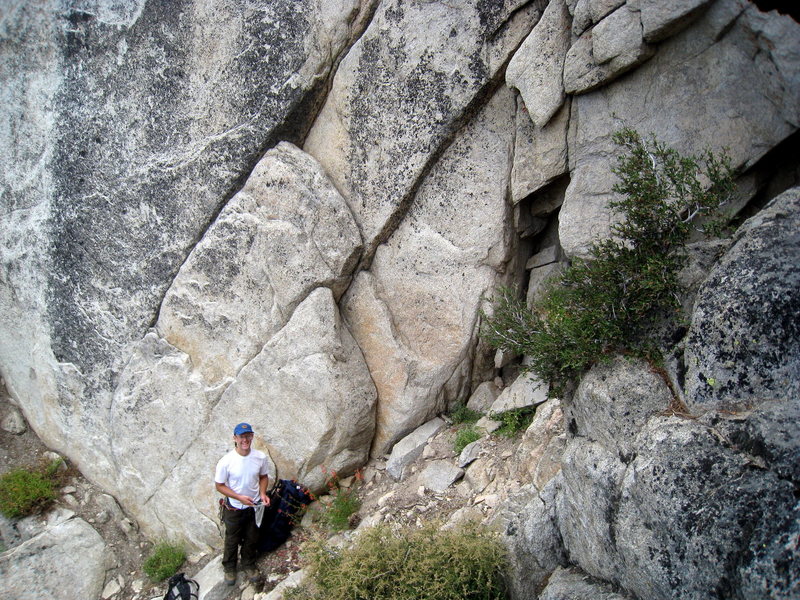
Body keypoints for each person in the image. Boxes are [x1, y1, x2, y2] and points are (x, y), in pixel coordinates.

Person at [214, 422, 271, 585]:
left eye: (248, 436)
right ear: (235, 438)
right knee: (232, 538)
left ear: (252, 436)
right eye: (241, 436)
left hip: (254, 506)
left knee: (252, 536)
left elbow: (263, 477)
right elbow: (219, 486)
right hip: (234, 508)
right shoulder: (226, 461)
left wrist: (262, 493)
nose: (245, 440)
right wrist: (239, 497)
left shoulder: (259, 457)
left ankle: (248, 564)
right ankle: (229, 568)